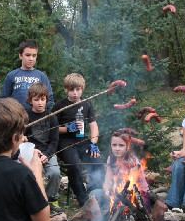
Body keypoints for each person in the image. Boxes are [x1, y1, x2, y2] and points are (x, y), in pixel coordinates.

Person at [52, 72, 103, 205]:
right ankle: (83, 199)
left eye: (78, 89)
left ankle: (97, 193)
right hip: (65, 141)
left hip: (81, 139)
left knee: (96, 160)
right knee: (74, 165)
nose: (75, 93)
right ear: (66, 89)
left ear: (82, 89)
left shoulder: (87, 104)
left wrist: (93, 143)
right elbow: (52, 128)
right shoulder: (60, 105)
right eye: (71, 90)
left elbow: (93, 125)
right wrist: (68, 128)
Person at [90, 128, 151, 212]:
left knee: (130, 213)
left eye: (121, 145)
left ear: (127, 147)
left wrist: (117, 195)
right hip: (119, 193)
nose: (117, 148)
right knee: (95, 193)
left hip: (137, 195)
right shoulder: (111, 159)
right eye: (114, 145)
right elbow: (107, 182)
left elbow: (130, 186)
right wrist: (107, 191)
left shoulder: (133, 162)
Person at [24, 83, 62, 213]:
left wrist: (47, 155)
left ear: (46, 100)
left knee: (55, 173)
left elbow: (54, 140)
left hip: (48, 152)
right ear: (30, 101)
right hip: (31, 152)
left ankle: (51, 198)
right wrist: (33, 152)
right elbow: (23, 138)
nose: (40, 103)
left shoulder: (52, 117)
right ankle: (33, 200)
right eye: (36, 100)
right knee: (30, 174)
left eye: (42, 99)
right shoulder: (26, 117)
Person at [0, 39, 54, 110]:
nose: (31, 59)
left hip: (37, 115)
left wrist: (41, 111)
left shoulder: (42, 76)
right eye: (28, 55)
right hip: (18, 115)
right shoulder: (11, 75)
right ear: (20, 55)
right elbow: (4, 99)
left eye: (34, 55)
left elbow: (50, 99)